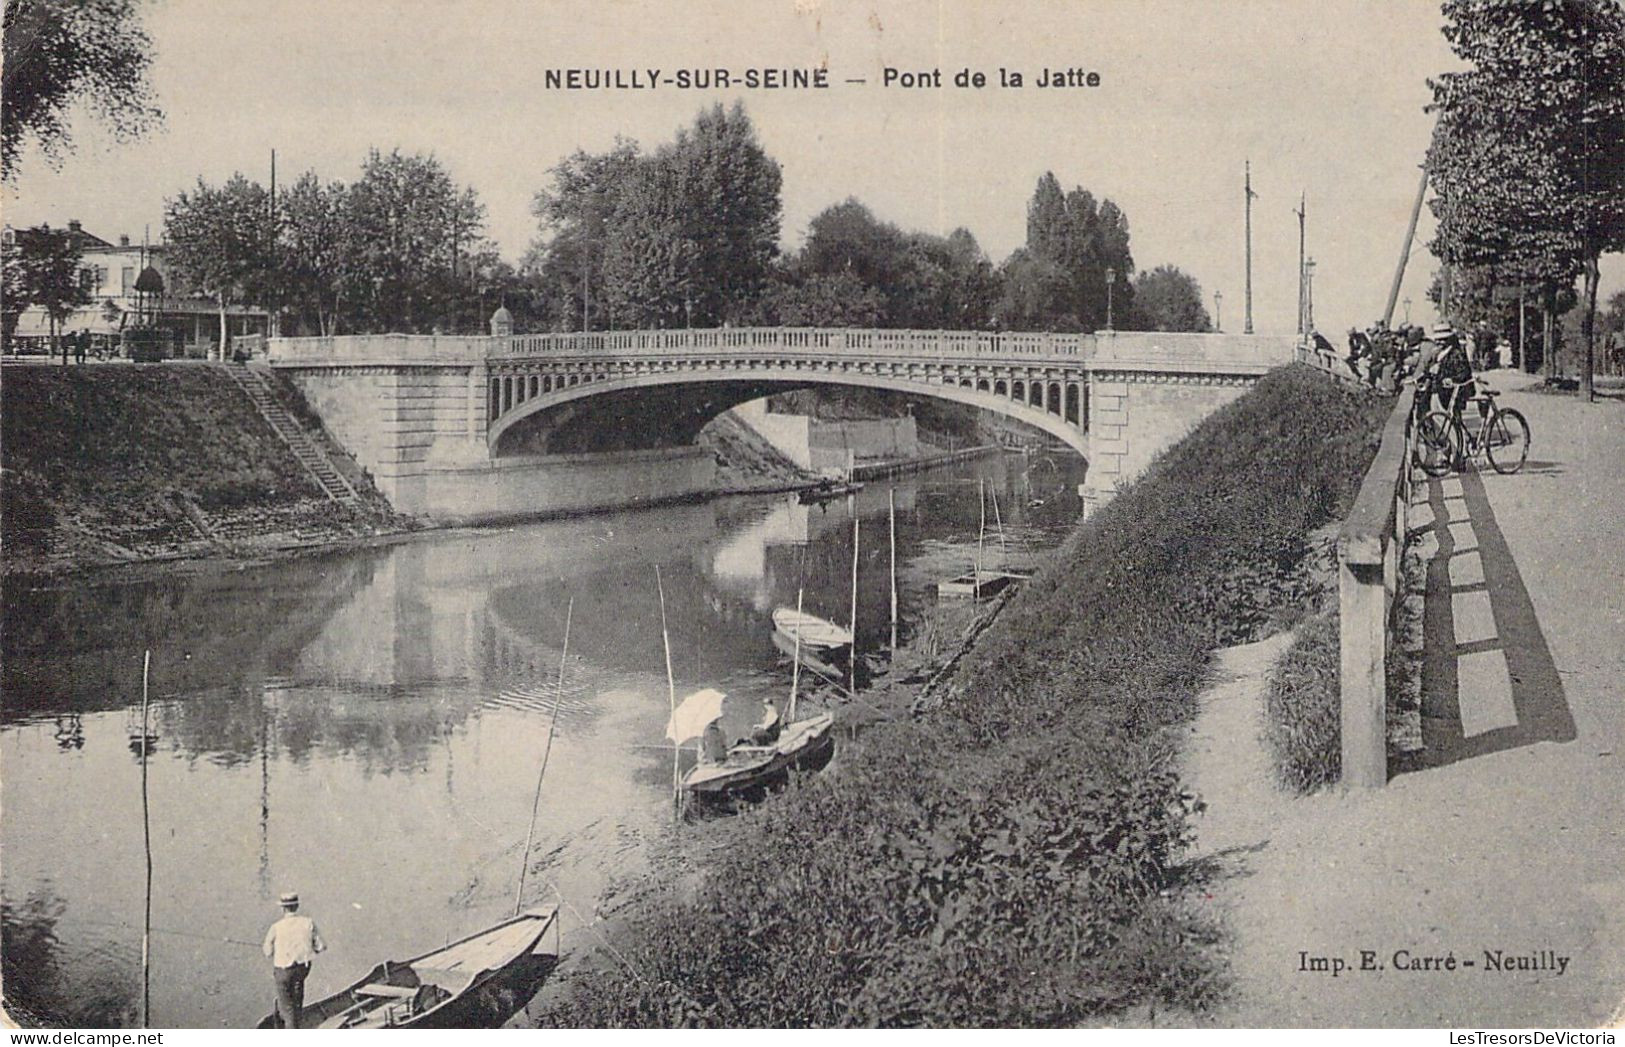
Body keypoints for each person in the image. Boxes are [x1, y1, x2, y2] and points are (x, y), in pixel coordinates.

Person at [263, 891, 325, 1029]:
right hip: (303, 969)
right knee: (297, 999)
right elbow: (321, 947)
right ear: (296, 906)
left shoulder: (276, 927)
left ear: (283, 908)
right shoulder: (308, 923)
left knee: (287, 1007)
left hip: (283, 971)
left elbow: (267, 952)